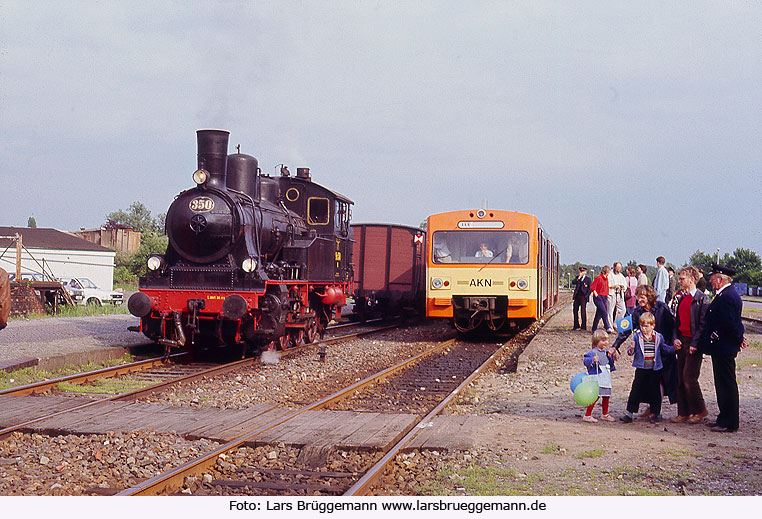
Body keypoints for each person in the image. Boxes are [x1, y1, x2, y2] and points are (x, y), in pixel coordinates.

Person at [611, 284, 676, 418]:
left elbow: (674, 325)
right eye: (637, 297)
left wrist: (674, 344)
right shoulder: (636, 312)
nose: (638, 299)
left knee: (663, 382)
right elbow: (625, 331)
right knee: (643, 383)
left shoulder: (662, 307)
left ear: (649, 297)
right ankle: (645, 410)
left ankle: (657, 411)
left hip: (663, 349)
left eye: (642, 297)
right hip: (646, 354)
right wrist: (615, 346)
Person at [699, 263, 747, 432]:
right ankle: (723, 418)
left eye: (712, 280)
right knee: (722, 384)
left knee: (726, 384)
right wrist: (739, 337)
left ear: (720, 279)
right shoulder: (725, 295)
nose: (711, 283)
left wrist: (739, 338)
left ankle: (730, 422)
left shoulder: (726, 297)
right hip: (722, 347)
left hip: (724, 347)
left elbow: (730, 323)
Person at [671, 266, 710, 424]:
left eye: (682, 279)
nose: (679, 281)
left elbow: (703, 324)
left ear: (692, 279)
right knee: (680, 378)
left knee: (689, 378)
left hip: (694, 344)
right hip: (682, 342)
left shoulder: (702, 299)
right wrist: (675, 338)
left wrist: (695, 343)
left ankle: (700, 410)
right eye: (679, 278)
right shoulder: (681, 298)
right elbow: (676, 323)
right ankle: (684, 412)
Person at [620, 312, 675, 423]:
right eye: (641, 326)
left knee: (655, 392)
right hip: (641, 368)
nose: (643, 329)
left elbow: (664, 349)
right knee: (635, 390)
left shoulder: (658, 337)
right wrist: (631, 349)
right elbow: (631, 352)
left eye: (646, 326)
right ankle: (630, 413)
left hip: (655, 369)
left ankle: (656, 413)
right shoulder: (637, 337)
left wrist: (674, 349)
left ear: (652, 326)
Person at [581, 330, 617, 422]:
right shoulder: (592, 352)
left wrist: (612, 357)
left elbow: (611, 364)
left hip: (606, 377)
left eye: (606, 340)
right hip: (597, 378)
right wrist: (592, 360)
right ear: (597, 341)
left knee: (606, 395)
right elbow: (585, 361)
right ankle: (587, 415)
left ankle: (605, 414)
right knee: (595, 396)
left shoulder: (606, 353)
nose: (606, 343)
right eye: (603, 340)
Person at [589, 266, 612, 333]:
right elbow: (592, 287)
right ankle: (607, 327)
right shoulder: (598, 278)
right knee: (604, 311)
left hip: (604, 297)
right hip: (599, 297)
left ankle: (594, 329)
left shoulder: (606, 278)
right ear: (606, 272)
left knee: (598, 314)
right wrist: (595, 293)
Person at [607, 262, 627, 326]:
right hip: (611, 294)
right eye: (617, 268)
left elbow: (625, 285)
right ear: (614, 267)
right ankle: (609, 326)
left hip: (619, 294)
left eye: (620, 268)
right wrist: (614, 286)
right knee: (610, 311)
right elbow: (606, 285)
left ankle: (616, 324)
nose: (618, 270)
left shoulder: (621, 276)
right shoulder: (609, 275)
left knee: (623, 310)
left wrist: (623, 287)